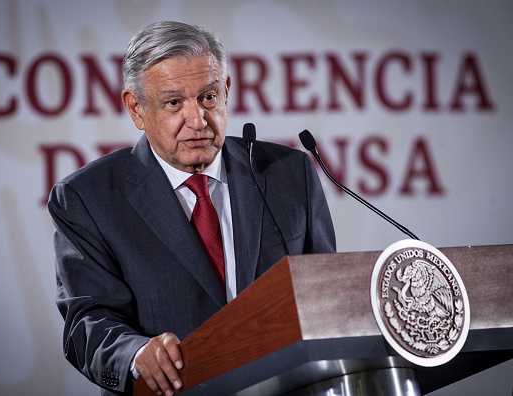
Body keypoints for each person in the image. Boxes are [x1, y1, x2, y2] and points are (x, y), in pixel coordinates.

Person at [48, 21, 336, 396]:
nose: (198, 120)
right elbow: (87, 324)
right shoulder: (88, 198)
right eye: (173, 103)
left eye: (209, 97)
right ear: (136, 109)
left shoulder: (288, 173)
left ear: (227, 91)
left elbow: (327, 296)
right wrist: (136, 354)